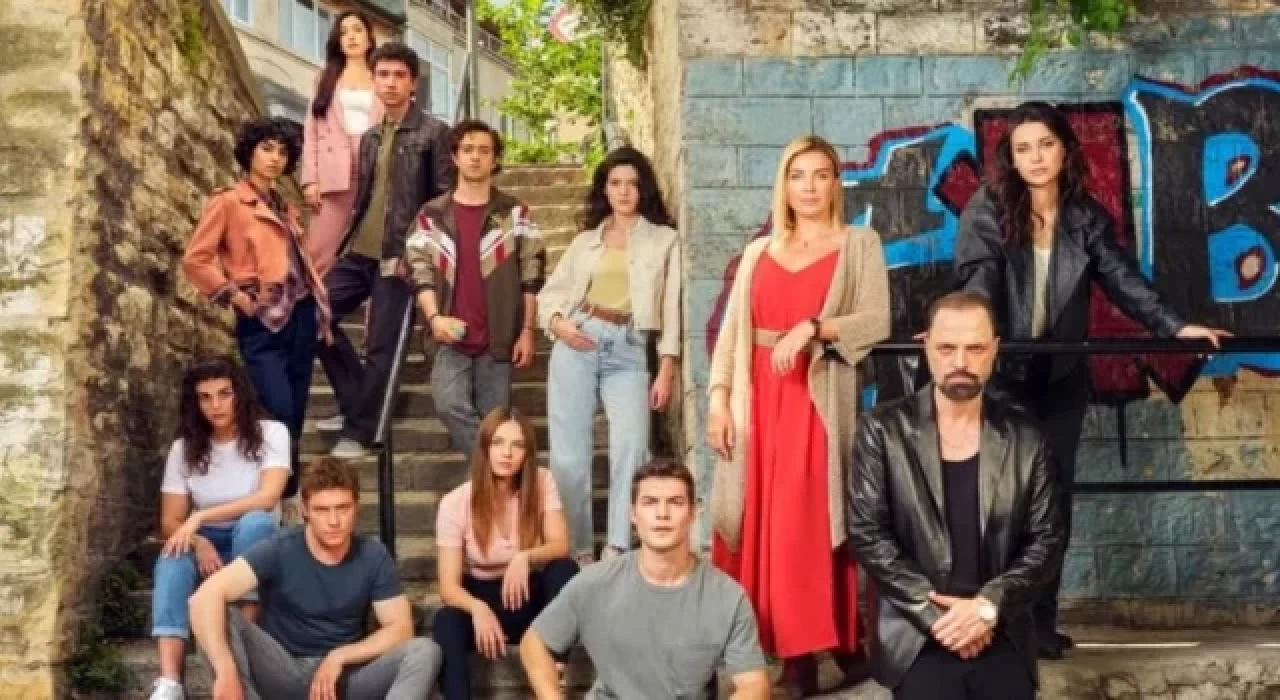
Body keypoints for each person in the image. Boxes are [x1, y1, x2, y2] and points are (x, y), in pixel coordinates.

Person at [953, 101, 1231, 658]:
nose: (1036, 157)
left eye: (1045, 145)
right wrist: (967, 337)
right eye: (1023, 148)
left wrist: (1174, 327)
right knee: (1001, 503)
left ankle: (1041, 623)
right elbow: (979, 283)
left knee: (1053, 503)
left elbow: (1123, 279)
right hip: (1002, 378)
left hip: (1061, 377)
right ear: (1010, 157)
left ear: (1064, 150)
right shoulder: (987, 208)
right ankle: (999, 620)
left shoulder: (1085, 217)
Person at [704, 134, 890, 694]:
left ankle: (807, 651)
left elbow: (876, 320)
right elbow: (733, 335)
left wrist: (813, 328)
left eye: (820, 175)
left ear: (836, 184)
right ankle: (788, 645)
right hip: (757, 401)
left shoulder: (859, 243)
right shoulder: (759, 252)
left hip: (815, 401)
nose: (808, 187)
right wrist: (718, 400)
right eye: (797, 175)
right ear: (783, 185)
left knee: (804, 525)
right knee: (753, 521)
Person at [847, 291, 1067, 699]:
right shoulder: (882, 430)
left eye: (975, 348)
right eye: (947, 348)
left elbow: (1046, 541)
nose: (961, 362)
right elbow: (868, 534)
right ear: (926, 346)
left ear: (995, 350)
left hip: (1001, 628)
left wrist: (987, 607)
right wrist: (939, 618)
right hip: (918, 630)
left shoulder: (1027, 437)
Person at [188, 457, 441, 699]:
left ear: (357, 507)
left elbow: (400, 628)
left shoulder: (373, 554)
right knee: (216, 615)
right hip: (282, 670)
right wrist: (225, 670)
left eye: (343, 508)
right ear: (305, 510)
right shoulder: (280, 548)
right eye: (322, 510)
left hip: (343, 677)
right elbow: (202, 598)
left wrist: (339, 656)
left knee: (423, 651)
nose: (334, 521)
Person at [520, 459, 771, 700]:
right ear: (633, 514)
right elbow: (534, 642)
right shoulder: (595, 583)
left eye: (675, 503)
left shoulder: (727, 597)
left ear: (693, 513)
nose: (662, 514)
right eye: (650, 502)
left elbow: (754, 684)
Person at [537, 146, 682, 564]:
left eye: (632, 184)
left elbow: (671, 307)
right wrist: (559, 324)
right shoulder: (585, 242)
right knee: (569, 454)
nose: (624, 191)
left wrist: (666, 368)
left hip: (630, 348)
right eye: (615, 183)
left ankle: (617, 545)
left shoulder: (664, 240)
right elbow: (551, 294)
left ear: (643, 189)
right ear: (605, 189)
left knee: (632, 447)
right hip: (577, 339)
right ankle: (577, 550)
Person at [183, 117, 331, 500]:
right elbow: (196, 259)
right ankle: (275, 492)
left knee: (296, 408)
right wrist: (235, 297)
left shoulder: (286, 208)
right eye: (266, 149)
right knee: (277, 406)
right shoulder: (229, 201)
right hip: (262, 317)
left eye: (282, 152)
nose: (274, 158)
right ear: (250, 152)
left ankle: (286, 493)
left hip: (300, 314)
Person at [319, 41, 454, 458]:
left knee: (381, 345)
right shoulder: (371, 137)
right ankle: (356, 402)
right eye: (383, 75)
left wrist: (420, 254)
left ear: (413, 83)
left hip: (402, 257)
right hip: (359, 251)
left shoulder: (435, 134)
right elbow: (368, 198)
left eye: (399, 75)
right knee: (313, 314)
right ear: (374, 81)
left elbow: (443, 202)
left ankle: (359, 433)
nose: (391, 83)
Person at [146, 358, 288, 700]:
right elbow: (170, 521)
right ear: (194, 402)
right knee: (172, 554)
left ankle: (240, 651)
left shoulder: (271, 433)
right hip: (207, 540)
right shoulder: (183, 449)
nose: (215, 405)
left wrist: (200, 517)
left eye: (225, 394)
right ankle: (170, 681)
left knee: (254, 523)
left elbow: (267, 497)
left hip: (257, 537)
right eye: (205, 397)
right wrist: (197, 541)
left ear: (240, 395)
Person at [405, 119, 544, 455]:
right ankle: (496, 469)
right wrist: (434, 318)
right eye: (467, 150)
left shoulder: (514, 213)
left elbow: (532, 274)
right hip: (450, 334)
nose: (476, 157)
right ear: (455, 157)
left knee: (495, 419)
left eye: (484, 150)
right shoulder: (432, 215)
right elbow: (419, 271)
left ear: (495, 159)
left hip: (499, 336)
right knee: (449, 404)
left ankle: (491, 476)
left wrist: (527, 331)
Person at [433, 407, 578, 699]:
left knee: (564, 570)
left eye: (517, 445)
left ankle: (551, 680)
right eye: (498, 443)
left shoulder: (542, 481)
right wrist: (478, 608)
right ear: (485, 448)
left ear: (527, 453)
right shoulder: (455, 503)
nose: (507, 453)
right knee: (446, 621)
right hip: (482, 601)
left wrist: (525, 557)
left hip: (527, 598)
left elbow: (561, 544)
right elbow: (448, 587)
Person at [300, 10, 383, 279]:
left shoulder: (381, 78)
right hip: (333, 174)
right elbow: (311, 130)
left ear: (369, 38)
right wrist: (310, 180)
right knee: (318, 252)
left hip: (374, 170)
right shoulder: (325, 79)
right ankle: (310, 304)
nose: (351, 37)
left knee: (369, 251)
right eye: (344, 32)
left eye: (357, 30)